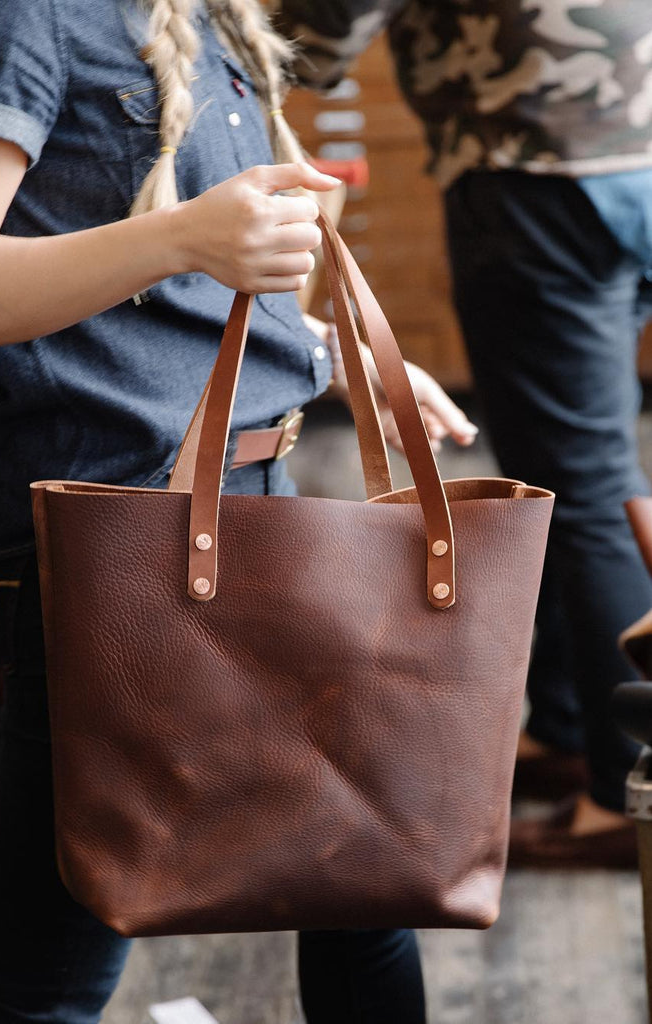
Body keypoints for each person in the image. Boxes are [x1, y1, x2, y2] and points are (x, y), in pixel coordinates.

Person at [0, 1, 478, 1020]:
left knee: (365, 883)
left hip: (255, 511)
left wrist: (340, 361)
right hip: (116, 539)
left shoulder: (203, 8)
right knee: (55, 968)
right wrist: (183, 237)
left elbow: (195, 299)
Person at [277, 0, 652, 866]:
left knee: (581, 484)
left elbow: (315, 40)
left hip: (539, 163)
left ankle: (621, 786)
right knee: (563, 467)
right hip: (631, 145)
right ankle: (567, 727)